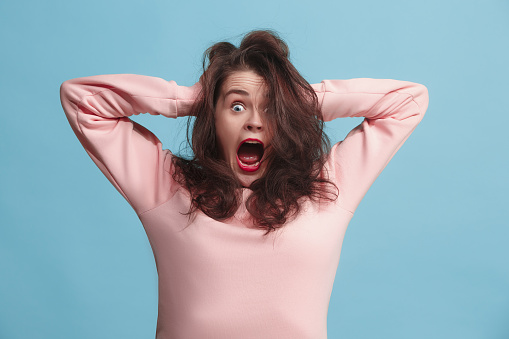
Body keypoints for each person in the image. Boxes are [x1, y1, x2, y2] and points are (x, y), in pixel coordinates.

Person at [60, 30, 429, 339]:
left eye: (270, 109)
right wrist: (190, 99)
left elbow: (408, 101)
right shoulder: (167, 187)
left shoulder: (326, 188)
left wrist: (296, 98)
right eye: (237, 106)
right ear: (213, 117)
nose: (253, 121)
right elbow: (83, 101)